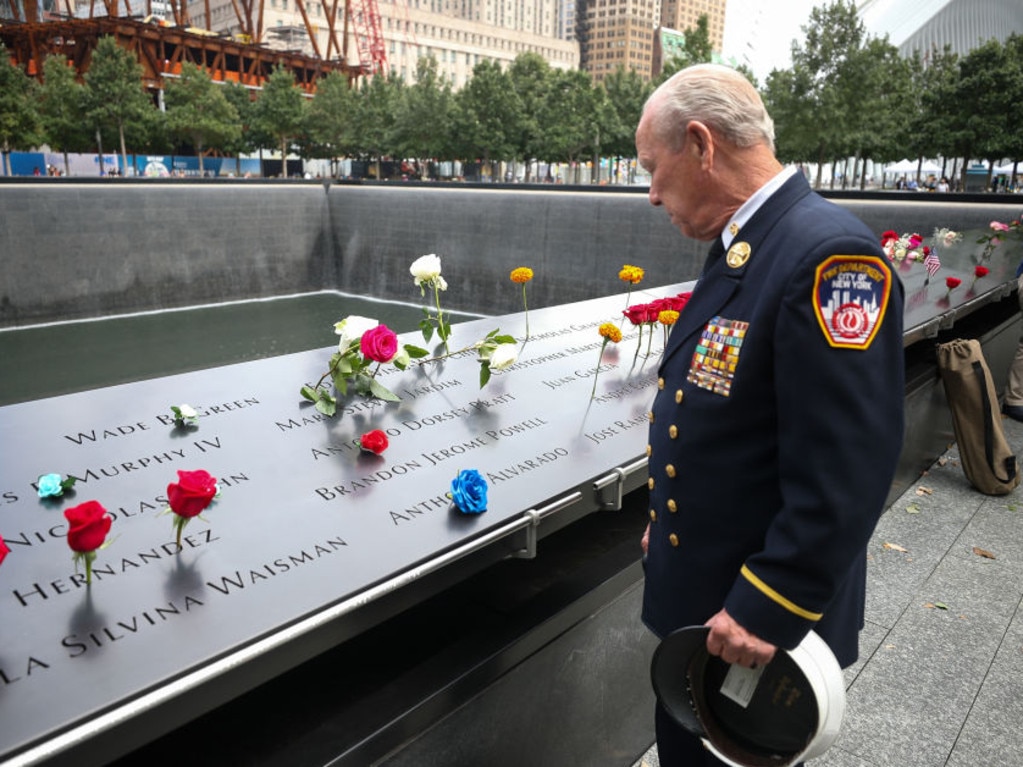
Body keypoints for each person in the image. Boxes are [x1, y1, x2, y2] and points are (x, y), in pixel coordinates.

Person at [634, 63, 905, 765]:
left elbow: (845, 465)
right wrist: (669, 518)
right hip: (707, 598)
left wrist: (769, 605)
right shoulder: (748, 245)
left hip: (746, 620)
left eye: (652, 167)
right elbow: (731, 416)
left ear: (700, 144)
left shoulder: (828, 257)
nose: (650, 192)